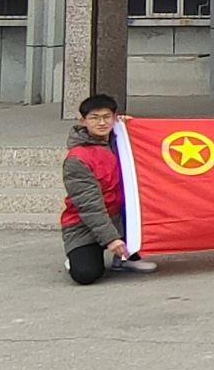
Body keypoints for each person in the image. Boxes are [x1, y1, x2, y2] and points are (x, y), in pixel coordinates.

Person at [59, 93, 155, 283]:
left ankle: (126, 258)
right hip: (84, 224)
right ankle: (77, 258)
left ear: (115, 117)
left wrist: (133, 127)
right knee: (86, 274)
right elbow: (89, 206)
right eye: (94, 118)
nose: (102, 123)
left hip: (121, 217)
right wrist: (111, 238)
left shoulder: (122, 140)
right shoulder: (77, 158)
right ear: (83, 121)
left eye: (106, 117)